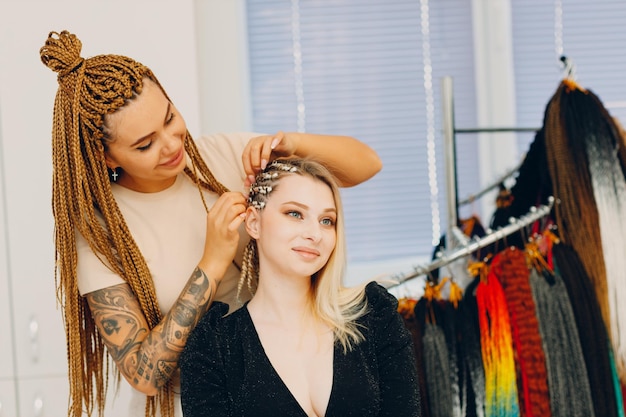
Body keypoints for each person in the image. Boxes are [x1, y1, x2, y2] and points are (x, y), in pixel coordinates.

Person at [39, 30, 382, 417]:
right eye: (144, 144)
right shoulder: (101, 231)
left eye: (170, 118)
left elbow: (366, 164)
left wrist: (292, 145)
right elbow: (144, 374)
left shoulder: (221, 156)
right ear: (105, 157)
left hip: (279, 395)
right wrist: (212, 263)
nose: (172, 145)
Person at [180, 158, 421, 417]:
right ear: (253, 222)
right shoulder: (213, 346)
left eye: (327, 220)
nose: (315, 234)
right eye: (295, 214)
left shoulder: (374, 316)